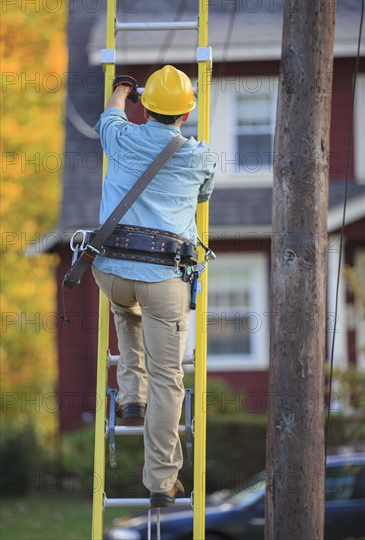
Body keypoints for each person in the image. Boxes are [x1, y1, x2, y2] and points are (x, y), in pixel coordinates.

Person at [92, 65, 216, 507]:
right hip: (165, 279)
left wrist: (122, 88)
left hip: (112, 270)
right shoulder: (200, 155)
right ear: (187, 112)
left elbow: (110, 116)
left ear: (144, 106)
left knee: (125, 308)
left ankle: (129, 395)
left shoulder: (122, 136)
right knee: (169, 379)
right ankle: (161, 482)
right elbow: (202, 196)